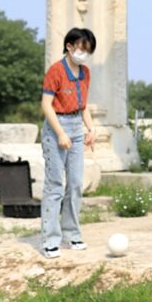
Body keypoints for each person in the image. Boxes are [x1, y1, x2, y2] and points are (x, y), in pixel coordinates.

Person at [39, 27, 97, 259]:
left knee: (74, 184)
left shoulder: (85, 73)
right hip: (56, 127)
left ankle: (72, 234)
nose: (84, 54)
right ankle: (50, 240)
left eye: (88, 51)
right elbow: (46, 104)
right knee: (54, 185)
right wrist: (61, 133)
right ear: (69, 46)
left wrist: (91, 129)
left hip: (76, 126)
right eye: (81, 49)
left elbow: (83, 106)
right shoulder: (55, 71)